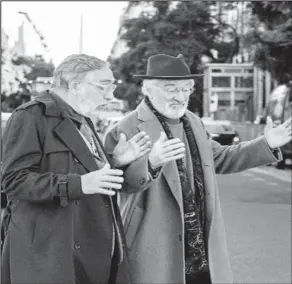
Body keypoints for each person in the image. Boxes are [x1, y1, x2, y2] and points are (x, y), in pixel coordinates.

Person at [104, 54, 292, 284]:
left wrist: (266, 144)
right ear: (148, 90)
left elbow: (219, 157)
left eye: (186, 89)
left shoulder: (192, 121)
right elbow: (115, 183)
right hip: (152, 241)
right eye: (171, 89)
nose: (181, 96)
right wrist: (151, 163)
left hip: (199, 243)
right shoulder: (126, 127)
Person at [1, 54, 152, 284]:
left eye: (111, 86)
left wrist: (116, 161)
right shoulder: (30, 116)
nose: (110, 95)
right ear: (75, 85)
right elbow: (14, 181)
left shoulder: (82, 117)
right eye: (103, 86)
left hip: (89, 249)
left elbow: (86, 173)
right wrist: (78, 184)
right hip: (50, 254)